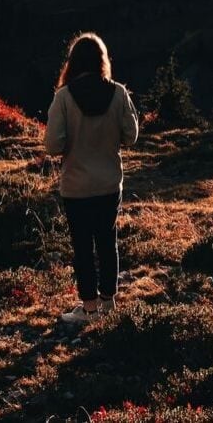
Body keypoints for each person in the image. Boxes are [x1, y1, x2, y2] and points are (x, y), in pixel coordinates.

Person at [44, 31, 139, 324]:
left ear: (72, 62)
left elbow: (52, 145)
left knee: (82, 246)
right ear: (102, 60)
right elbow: (131, 136)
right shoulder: (119, 93)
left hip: (76, 186)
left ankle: (89, 308)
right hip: (109, 183)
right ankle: (109, 301)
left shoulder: (63, 97)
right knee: (107, 241)